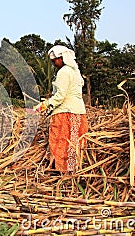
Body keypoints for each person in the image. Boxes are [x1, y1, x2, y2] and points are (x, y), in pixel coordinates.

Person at [34, 45, 88, 173]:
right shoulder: (75, 72)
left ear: (61, 58)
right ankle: (74, 170)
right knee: (75, 143)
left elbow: (60, 96)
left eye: (54, 61)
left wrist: (43, 106)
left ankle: (62, 172)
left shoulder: (63, 72)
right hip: (78, 112)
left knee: (61, 142)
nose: (53, 64)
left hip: (65, 113)